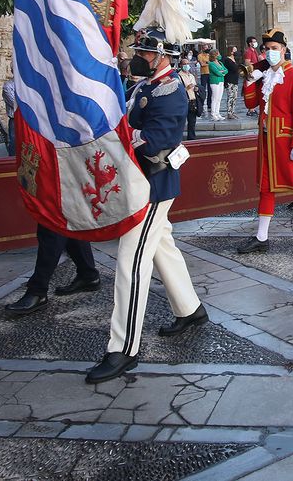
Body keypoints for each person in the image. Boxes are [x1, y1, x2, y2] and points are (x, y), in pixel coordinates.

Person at [85, 24, 207, 383]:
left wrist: (122, 135)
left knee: (131, 261)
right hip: (138, 182)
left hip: (153, 184)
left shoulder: (171, 91)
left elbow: (156, 140)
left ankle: (123, 349)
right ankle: (190, 309)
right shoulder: (145, 85)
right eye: (140, 52)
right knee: (161, 247)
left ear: (164, 57)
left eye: (146, 53)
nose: (139, 58)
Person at [239, 28, 293, 251]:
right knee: (266, 188)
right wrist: (249, 80)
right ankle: (261, 237)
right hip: (266, 141)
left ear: (283, 50)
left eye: (274, 48)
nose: (270, 52)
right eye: (267, 49)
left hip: (286, 142)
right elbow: (250, 104)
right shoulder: (265, 75)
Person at [203, 48, 226, 121]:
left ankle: (217, 112)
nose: (219, 55)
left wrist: (222, 72)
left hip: (221, 81)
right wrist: (222, 72)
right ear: (215, 55)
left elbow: (226, 70)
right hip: (215, 82)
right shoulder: (211, 64)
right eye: (218, 54)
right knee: (214, 98)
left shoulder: (220, 63)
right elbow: (217, 72)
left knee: (219, 98)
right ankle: (213, 114)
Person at [220, 46, 242, 119]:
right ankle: (229, 112)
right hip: (230, 80)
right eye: (234, 50)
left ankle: (233, 112)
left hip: (235, 80)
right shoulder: (227, 60)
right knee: (230, 96)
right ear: (231, 51)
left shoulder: (234, 59)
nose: (236, 52)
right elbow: (234, 69)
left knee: (235, 97)